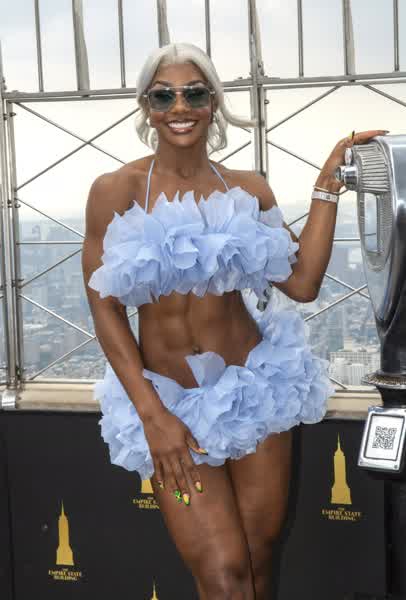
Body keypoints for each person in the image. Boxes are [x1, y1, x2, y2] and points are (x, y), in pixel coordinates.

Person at [82, 42, 388, 600]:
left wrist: (326, 185)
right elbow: (104, 308)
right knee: (224, 574)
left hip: (254, 394)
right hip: (169, 406)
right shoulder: (115, 192)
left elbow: (302, 282)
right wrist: (153, 417)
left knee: (257, 561)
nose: (180, 107)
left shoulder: (247, 189)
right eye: (164, 96)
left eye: (194, 93)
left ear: (214, 103)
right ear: (147, 105)